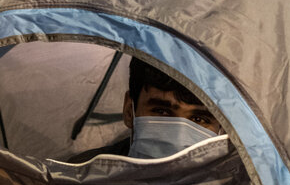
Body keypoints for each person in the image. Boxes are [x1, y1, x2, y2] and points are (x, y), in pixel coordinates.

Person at [69, 57, 223, 162]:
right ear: (130, 111)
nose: (179, 137)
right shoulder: (79, 181)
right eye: (162, 112)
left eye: (198, 119)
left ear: (222, 129)